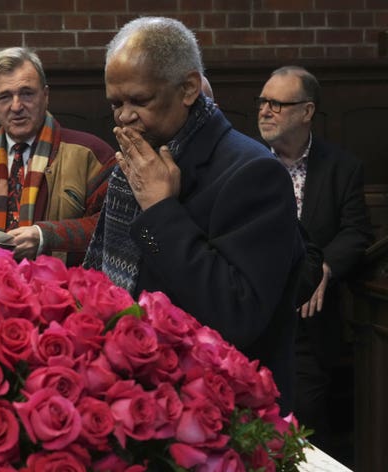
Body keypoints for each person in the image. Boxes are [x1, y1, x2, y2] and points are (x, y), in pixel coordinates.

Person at [83, 17, 306, 413]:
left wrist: (160, 210)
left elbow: (237, 315)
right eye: (116, 104)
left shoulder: (254, 172)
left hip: (223, 410)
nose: (124, 117)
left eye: (139, 101)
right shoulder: (134, 164)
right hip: (140, 397)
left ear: (187, 89)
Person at [257, 66, 374, 452]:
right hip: (252, 318)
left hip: (309, 326)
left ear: (306, 112)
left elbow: (357, 232)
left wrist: (324, 267)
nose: (265, 111)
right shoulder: (246, 162)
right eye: (263, 101)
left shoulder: (341, 167)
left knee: (307, 427)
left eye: (277, 103)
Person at [0, 47, 115, 266]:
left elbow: (112, 225)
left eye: (27, 93)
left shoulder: (91, 154)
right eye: (5, 97)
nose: (16, 106)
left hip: (62, 291)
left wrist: (46, 236)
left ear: (45, 95)